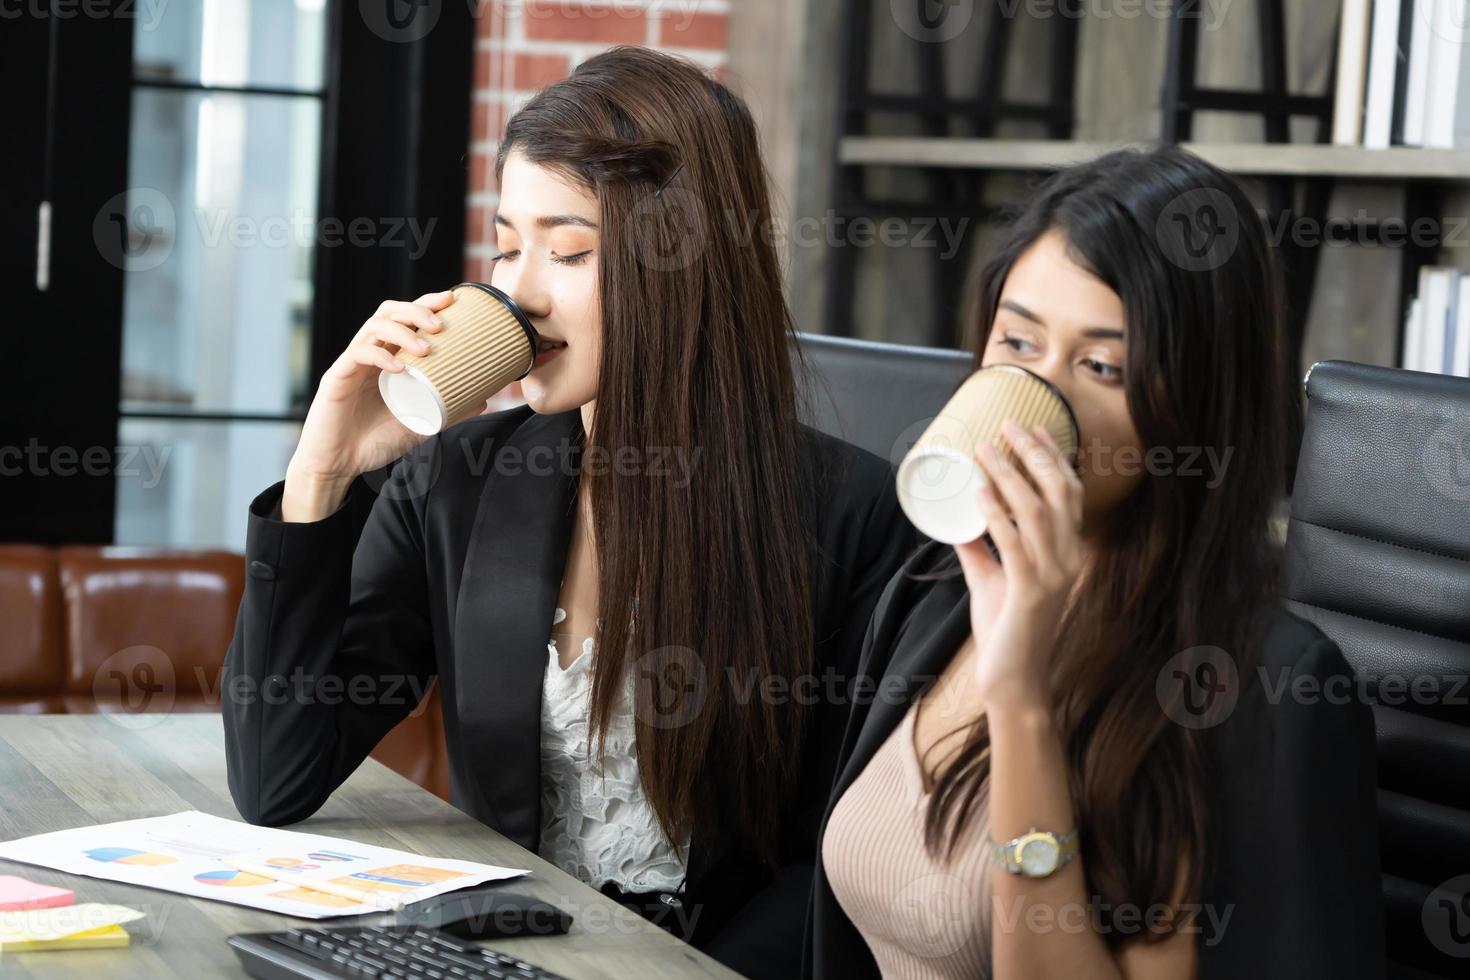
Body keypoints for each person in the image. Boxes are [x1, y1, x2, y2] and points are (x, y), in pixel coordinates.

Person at [221, 45, 916, 978]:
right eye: (508, 244)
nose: (522, 290)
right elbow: (276, 777)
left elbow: (835, 874)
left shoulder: (853, 514)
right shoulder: (454, 481)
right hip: (504, 959)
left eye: (571, 250)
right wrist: (323, 471)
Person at [805, 146, 1384, 979]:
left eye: (1103, 365)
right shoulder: (932, 592)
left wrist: (1023, 703)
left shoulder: (1254, 694)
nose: (1040, 400)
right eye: (1017, 343)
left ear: (1194, 403)